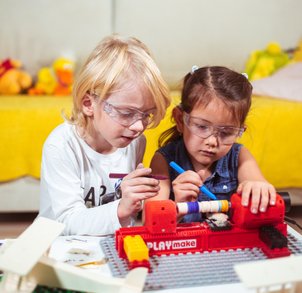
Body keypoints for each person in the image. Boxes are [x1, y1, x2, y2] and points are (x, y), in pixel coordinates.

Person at [39, 34, 171, 235]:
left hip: (107, 244)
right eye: (126, 113)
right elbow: (67, 222)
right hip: (58, 246)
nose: (138, 126)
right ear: (88, 104)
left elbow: (126, 208)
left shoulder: (134, 141)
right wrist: (122, 208)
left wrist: (140, 197)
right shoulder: (62, 145)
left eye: (147, 114)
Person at [147, 65, 276, 223]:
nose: (212, 142)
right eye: (202, 126)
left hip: (228, 246)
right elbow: (150, 223)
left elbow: (258, 184)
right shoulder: (163, 160)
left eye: (226, 132)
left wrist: (259, 188)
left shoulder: (240, 156)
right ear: (180, 120)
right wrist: (179, 206)